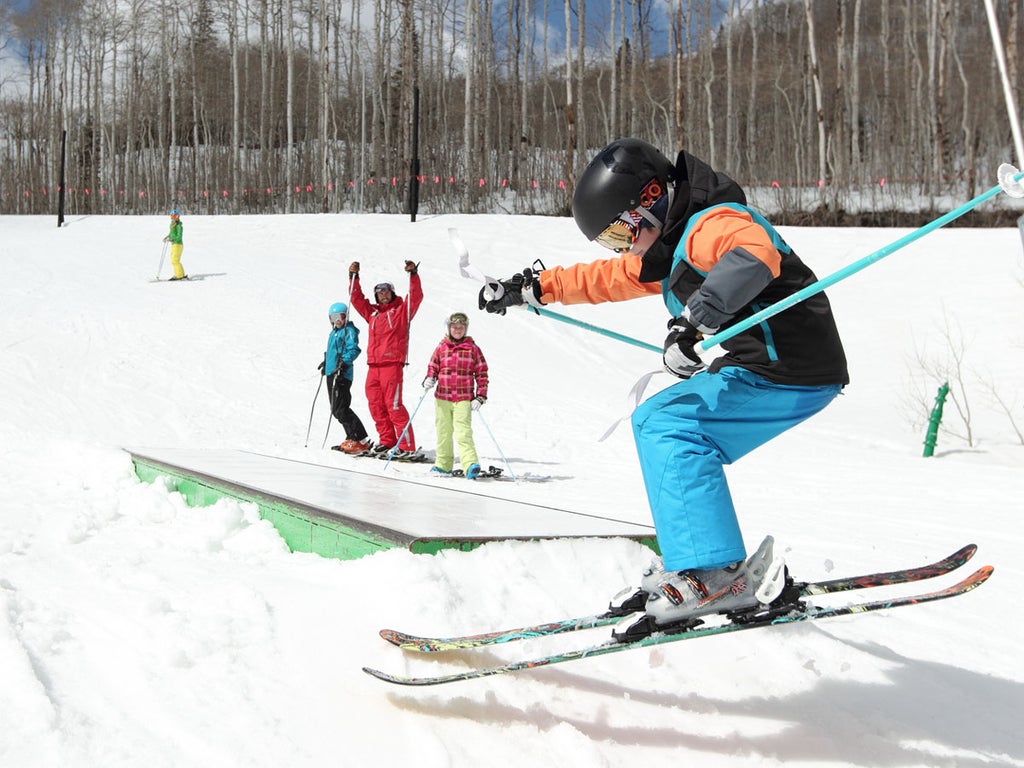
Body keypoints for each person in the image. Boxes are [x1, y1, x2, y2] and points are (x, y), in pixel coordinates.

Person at [480, 138, 849, 637]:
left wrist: (693, 324)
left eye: (622, 230)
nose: (624, 245)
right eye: (612, 240)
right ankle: (697, 561)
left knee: (668, 424)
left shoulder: (712, 223)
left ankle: (710, 571)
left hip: (791, 368)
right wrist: (533, 289)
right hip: (763, 367)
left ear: (652, 196)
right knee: (658, 421)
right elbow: (606, 279)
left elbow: (753, 254)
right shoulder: (670, 249)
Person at [348, 259, 423, 459]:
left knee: (394, 405)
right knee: (376, 405)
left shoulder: (400, 312)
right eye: (379, 292)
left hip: (392, 365)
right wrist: (353, 278)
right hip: (373, 366)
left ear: (392, 293)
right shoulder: (372, 313)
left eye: (386, 291)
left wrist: (413, 275)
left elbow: (415, 297)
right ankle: (387, 440)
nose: (383, 295)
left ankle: (407, 445)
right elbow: (356, 299)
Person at [422, 312, 489, 480]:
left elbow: (482, 373)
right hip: (442, 398)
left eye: (461, 327)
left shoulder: (472, 348)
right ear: (449, 328)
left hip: (463, 398)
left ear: (465, 329)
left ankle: (470, 464)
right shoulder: (441, 347)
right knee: (443, 432)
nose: (457, 330)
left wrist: (480, 396)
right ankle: (443, 466)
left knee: (463, 432)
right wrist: (429, 379)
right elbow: (433, 366)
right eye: (454, 327)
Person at [319, 302, 372, 455]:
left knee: (340, 408)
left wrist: (343, 362)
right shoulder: (334, 332)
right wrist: (327, 363)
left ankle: (359, 439)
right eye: (333, 317)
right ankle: (352, 437)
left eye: (340, 317)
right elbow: (333, 351)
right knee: (336, 409)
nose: (337, 320)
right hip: (332, 373)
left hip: (342, 374)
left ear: (346, 316)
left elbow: (353, 349)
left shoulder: (348, 330)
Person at [162, 209, 187, 280]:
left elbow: (179, 237)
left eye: (175, 216)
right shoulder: (172, 225)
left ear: (178, 217)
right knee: (174, 260)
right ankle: (180, 274)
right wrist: (167, 237)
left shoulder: (179, 226)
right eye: (172, 216)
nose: (174, 218)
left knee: (174, 260)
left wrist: (172, 239)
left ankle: (179, 276)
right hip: (174, 245)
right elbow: (171, 234)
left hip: (178, 245)